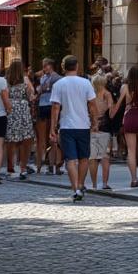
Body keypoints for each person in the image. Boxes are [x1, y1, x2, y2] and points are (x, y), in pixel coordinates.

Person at [49, 55, 98, 202]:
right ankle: (81, 185)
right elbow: (92, 104)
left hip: (66, 126)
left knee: (70, 159)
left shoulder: (58, 84)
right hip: (83, 125)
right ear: (77, 66)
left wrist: (52, 127)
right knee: (84, 158)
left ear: (63, 68)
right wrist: (95, 121)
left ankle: (75, 188)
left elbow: (55, 107)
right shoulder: (85, 83)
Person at [111, 65, 138, 188]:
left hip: (130, 117)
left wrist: (112, 114)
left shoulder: (125, 87)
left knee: (131, 150)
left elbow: (119, 104)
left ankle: (134, 179)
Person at [4, 60, 36, 180]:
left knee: (11, 141)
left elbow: (4, 96)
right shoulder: (25, 80)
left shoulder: (6, 81)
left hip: (11, 110)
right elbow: (31, 95)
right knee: (25, 140)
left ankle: (10, 168)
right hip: (23, 110)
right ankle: (23, 168)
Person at [86, 75, 113, 190]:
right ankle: (105, 183)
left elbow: (88, 109)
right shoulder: (107, 94)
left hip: (92, 125)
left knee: (93, 156)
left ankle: (94, 184)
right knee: (105, 156)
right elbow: (111, 111)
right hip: (104, 125)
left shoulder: (90, 95)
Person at [34, 58, 61, 175]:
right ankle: (42, 164)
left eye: (45, 66)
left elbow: (45, 88)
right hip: (43, 105)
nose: (43, 68)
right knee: (42, 138)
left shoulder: (57, 78)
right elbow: (41, 89)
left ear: (51, 66)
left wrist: (41, 89)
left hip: (51, 105)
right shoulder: (43, 77)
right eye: (43, 66)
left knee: (53, 136)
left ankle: (55, 164)